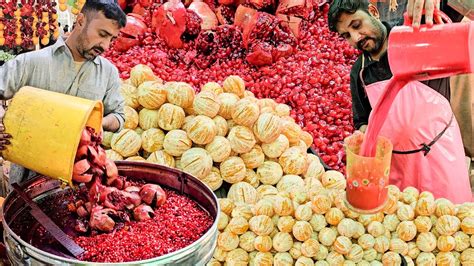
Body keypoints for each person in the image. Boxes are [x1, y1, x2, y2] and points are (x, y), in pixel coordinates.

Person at [328, 0, 472, 203]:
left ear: (372, 11)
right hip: (397, 169)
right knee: (407, 226)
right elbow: (361, 121)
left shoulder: (416, 34)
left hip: (440, 154)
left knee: (451, 222)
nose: (355, 38)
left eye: (357, 25)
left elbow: (464, 6)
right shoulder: (359, 72)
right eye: (346, 36)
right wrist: (362, 143)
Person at [0, 0, 127, 193]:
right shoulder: (33, 62)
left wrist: (99, 123)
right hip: (29, 186)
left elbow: (119, 116)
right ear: (81, 20)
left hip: (79, 188)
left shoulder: (108, 73)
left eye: (112, 39)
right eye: (102, 35)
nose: (106, 46)